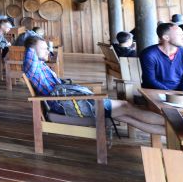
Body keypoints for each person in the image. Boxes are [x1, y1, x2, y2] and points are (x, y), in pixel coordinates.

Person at [23, 36, 164, 135]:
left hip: (70, 100)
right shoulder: (32, 68)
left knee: (124, 115)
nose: (48, 51)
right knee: (125, 106)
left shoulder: (41, 66)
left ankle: (167, 131)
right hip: (68, 104)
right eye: (43, 48)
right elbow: (29, 53)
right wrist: (32, 40)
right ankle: (172, 125)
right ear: (32, 51)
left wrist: (40, 46)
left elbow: (35, 52)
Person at [139, 22, 183, 91]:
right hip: (153, 91)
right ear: (166, 37)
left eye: (182, 35)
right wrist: (169, 93)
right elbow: (150, 80)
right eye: (179, 35)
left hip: (179, 93)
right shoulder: (149, 54)